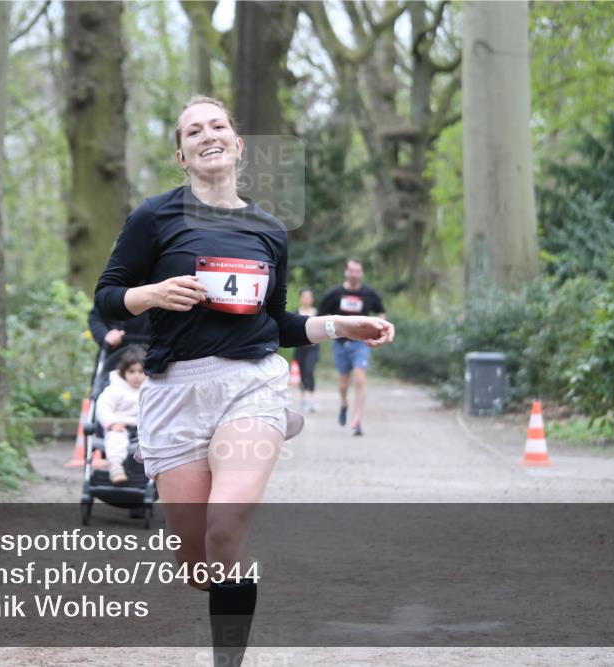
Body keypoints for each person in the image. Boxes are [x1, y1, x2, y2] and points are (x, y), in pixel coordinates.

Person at [94, 95, 394, 666]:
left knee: (226, 526)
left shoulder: (268, 228)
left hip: (249, 386)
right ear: (181, 154)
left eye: (217, 126)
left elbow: (277, 321)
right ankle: (225, 580)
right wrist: (150, 295)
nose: (207, 135)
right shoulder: (154, 217)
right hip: (175, 393)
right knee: (199, 563)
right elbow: (107, 298)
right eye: (192, 131)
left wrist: (339, 325)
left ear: (238, 144)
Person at [320, 258, 387, 436]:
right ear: (346, 272)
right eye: (352, 270)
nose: (355, 274)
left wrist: (380, 328)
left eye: (358, 271)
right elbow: (321, 316)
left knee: (359, 377)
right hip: (340, 342)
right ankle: (343, 403)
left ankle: (357, 420)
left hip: (361, 343)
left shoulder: (369, 293)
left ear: (362, 273)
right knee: (343, 384)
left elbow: (381, 311)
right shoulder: (334, 293)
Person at [94, 346, 146, 484]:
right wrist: (111, 423)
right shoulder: (116, 389)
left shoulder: (149, 390)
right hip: (119, 425)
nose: (136, 376)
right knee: (116, 439)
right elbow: (103, 406)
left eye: (141, 371)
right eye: (132, 371)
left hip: (142, 429)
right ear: (123, 372)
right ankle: (115, 466)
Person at [293, 288, 319, 413]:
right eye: (304, 297)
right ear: (300, 298)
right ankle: (304, 399)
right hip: (299, 348)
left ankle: (312, 399)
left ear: (312, 299)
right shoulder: (296, 312)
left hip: (313, 348)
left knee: (309, 370)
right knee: (302, 373)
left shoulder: (317, 313)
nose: (306, 299)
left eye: (308, 297)